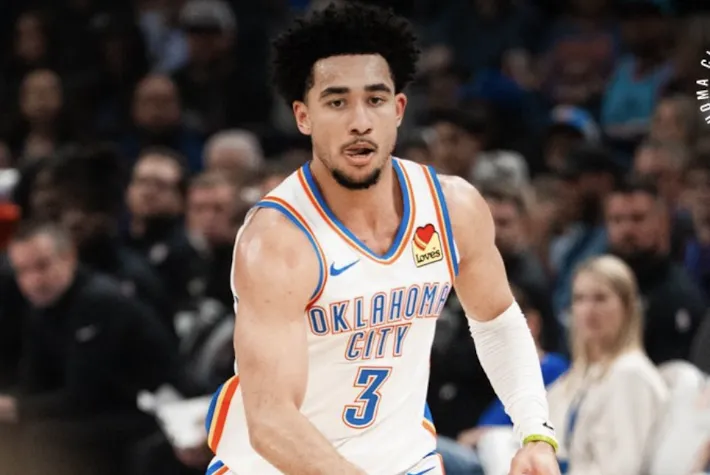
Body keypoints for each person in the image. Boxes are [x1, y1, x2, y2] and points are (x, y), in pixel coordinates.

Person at [206, 3, 560, 475]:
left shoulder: (453, 208)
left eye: (374, 100)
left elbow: (497, 321)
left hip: (403, 460)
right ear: (303, 117)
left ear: (398, 110)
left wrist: (535, 432)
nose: (359, 121)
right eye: (337, 102)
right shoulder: (277, 240)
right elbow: (271, 421)